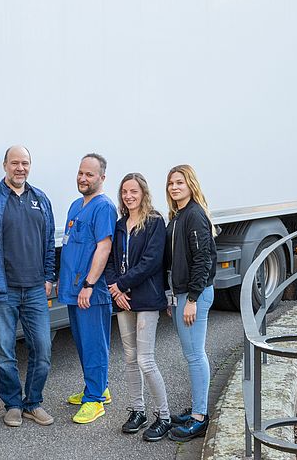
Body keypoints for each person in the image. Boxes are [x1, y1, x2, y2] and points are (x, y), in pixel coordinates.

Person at [0, 145, 56, 428]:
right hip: (1, 289)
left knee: (42, 350)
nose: (20, 168)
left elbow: (48, 244)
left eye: (25, 163)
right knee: (5, 353)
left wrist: (48, 277)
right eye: (15, 163)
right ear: (4, 165)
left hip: (35, 289)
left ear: (30, 166)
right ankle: (12, 404)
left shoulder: (41, 199)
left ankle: (33, 402)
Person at [104, 172, 172, 441]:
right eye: (124, 192)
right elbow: (110, 260)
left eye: (134, 191)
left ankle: (164, 416)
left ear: (143, 193)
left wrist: (121, 285)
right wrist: (114, 288)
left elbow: (152, 261)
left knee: (146, 359)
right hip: (123, 300)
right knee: (130, 359)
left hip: (146, 299)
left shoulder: (154, 222)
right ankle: (138, 410)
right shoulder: (121, 224)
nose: (128, 196)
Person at [59, 153, 116, 424]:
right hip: (73, 288)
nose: (83, 178)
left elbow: (104, 247)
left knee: (95, 344)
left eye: (90, 174)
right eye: (81, 172)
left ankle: (95, 400)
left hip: (90, 291)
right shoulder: (75, 205)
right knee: (82, 343)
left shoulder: (103, 207)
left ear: (101, 178)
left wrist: (89, 285)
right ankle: (97, 387)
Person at [164, 164, 216, 442]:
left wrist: (193, 299)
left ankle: (199, 419)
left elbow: (203, 259)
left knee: (196, 355)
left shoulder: (194, 215)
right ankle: (197, 408)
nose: (174, 187)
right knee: (191, 354)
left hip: (194, 295)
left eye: (179, 183)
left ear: (190, 185)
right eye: (171, 183)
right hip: (183, 293)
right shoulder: (179, 215)